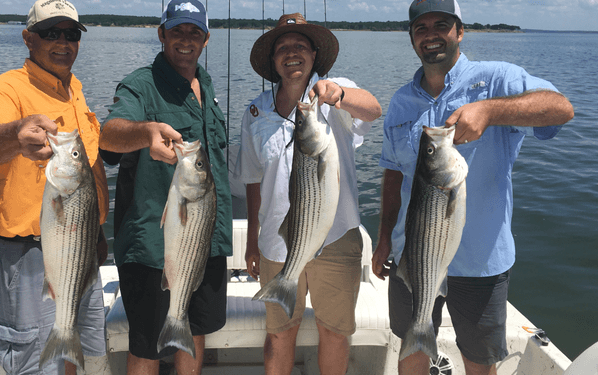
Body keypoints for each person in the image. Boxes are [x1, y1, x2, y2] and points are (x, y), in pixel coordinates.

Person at [371, 1, 574, 374]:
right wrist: (384, 236)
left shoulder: (496, 79)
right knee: (411, 348)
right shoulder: (401, 101)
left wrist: (490, 111)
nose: (430, 34)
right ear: (412, 38)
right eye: (421, 28)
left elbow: (560, 108)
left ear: (460, 31)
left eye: (441, 25)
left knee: (480, 361)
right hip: (411, 253)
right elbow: (393, 173)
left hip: (480, 263)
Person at [234, 13, 382, 375]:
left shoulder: (336, 92)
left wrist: (339, 96)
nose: (292, 52)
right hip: (276, 241)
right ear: (273, 61)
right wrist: (252, 241)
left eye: (300, 45)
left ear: (315, 53)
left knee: (334, 333)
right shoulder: (256, 112)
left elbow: (374, 110)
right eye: (283, 47)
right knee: (280, 334)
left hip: (337, 237)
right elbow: (252, 181)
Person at [0, 0, 110, 374]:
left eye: (71, 34)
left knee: (86, 352)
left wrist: (97, 232)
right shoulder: (4, 90)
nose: (62, 42)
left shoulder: (73, 89)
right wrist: (16, 135)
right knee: (36, 365)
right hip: (27, 255)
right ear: (28, 39)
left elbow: (90, 161)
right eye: (51, 33)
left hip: (81, 247)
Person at [97, 0, 232, 374]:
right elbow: (107, 135)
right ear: (161, 34)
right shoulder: (140, 85)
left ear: (206, 39)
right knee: (147, 345)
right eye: (176, 31)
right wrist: (145, 132)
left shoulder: (206, 85)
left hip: (208, 238)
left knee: (195, 330)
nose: (185, 40)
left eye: (194, 32)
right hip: (153, 247)